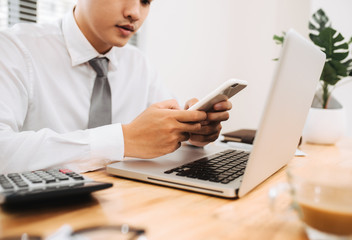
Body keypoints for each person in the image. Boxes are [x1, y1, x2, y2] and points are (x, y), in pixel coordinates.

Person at [0, 0, 232, 173]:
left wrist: (194, 133)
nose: (134, 13)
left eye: (145, 1)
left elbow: (165, 134)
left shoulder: (138, 63)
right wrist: (124, 140)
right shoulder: (14, 49)